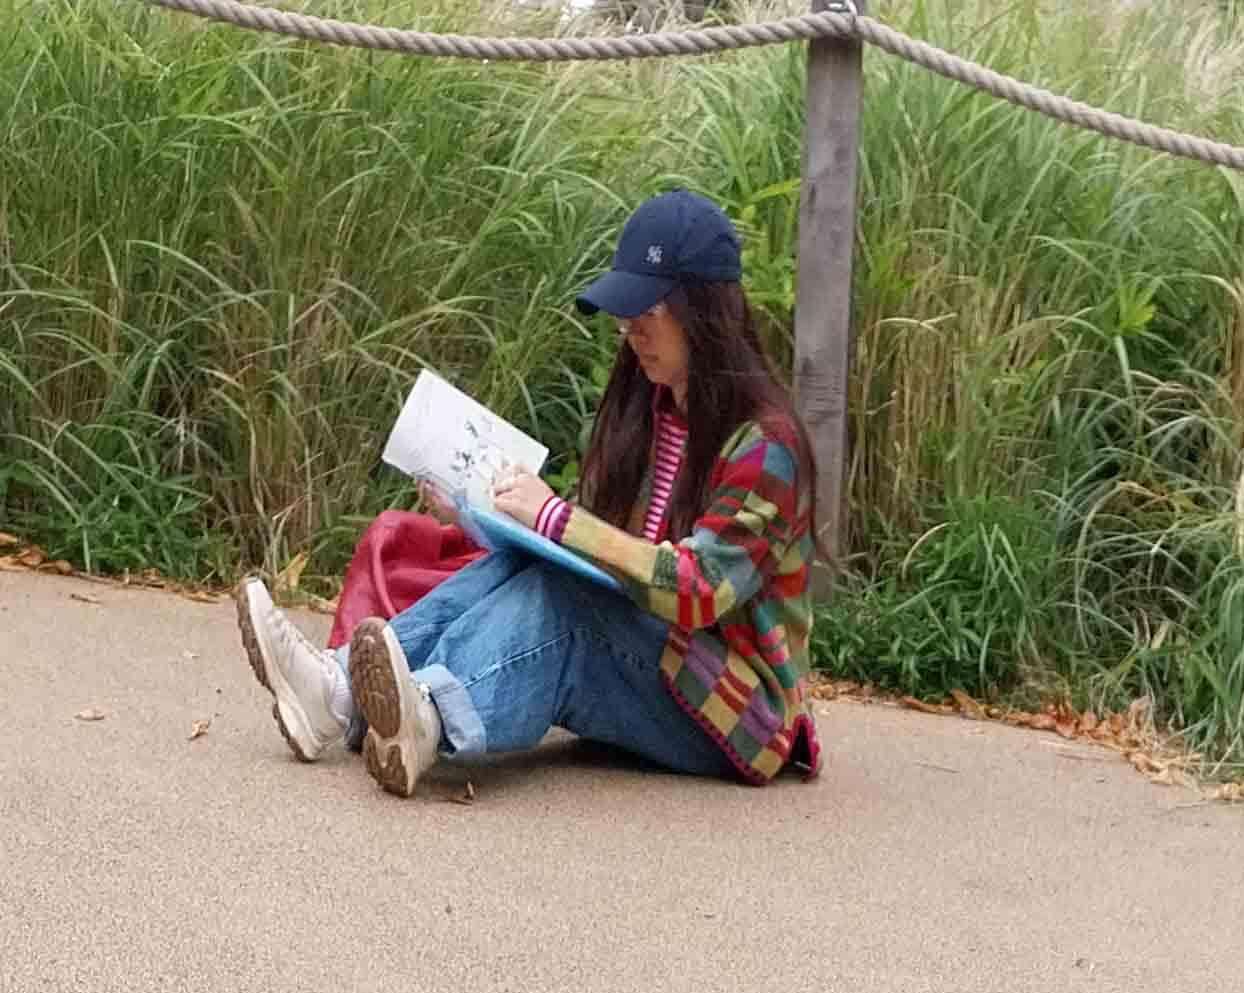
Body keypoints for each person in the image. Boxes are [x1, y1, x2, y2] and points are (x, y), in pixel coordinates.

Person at [233, 188, 820, 798]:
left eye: (647, 312)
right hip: (652, 659)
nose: (630, 332)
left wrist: (557, 518)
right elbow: (611, 555)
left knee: (565, 599)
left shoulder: (766, 447)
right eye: (625, 315)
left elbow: (698, 592)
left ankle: (430, 717)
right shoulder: (652, 408)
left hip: (736, 714)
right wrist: (478, 514)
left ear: (705, 311)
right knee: (533, 564)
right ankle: (335, 693)